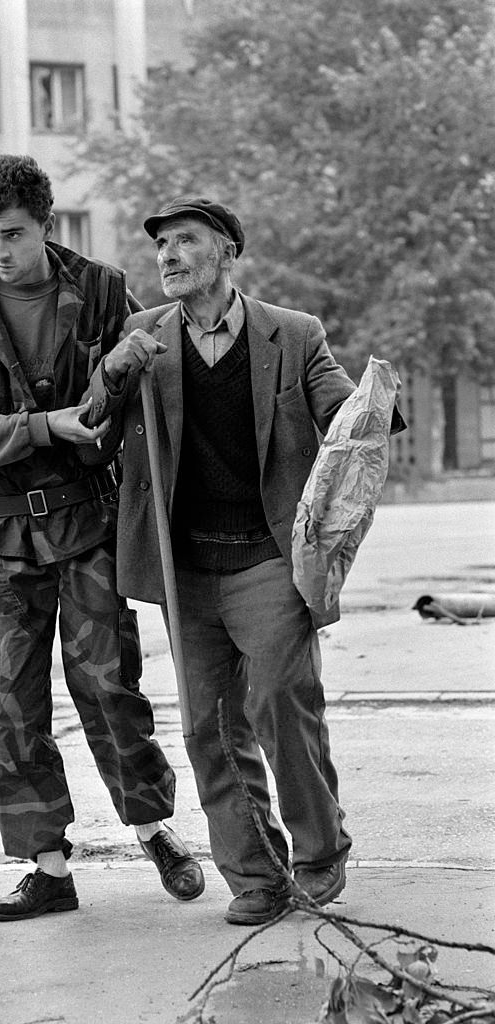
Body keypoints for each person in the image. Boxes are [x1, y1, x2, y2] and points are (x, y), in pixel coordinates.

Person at [80, 195, 405, 926]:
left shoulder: (292, 335)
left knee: (282, 701)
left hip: (267, 556)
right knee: (208, 725)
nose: (168, 257)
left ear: (227, 253)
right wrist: (114, 370)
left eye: (185, 242)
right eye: (161, 246)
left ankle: (319, 857)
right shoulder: (142, 336)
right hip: (183, 565)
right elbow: (93, 422)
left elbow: (345, 414)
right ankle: (255, 875)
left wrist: (372, 408)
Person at [0, 156, 204, 922]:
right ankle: (48, 867)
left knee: (111, 687)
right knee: (10, 705)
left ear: (46, 223)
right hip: (0, 532)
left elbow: (158, 378)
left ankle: (155, 830)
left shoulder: (106, 293)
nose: (1, 250)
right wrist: (44, 426)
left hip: (88, 523)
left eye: (14, 233)